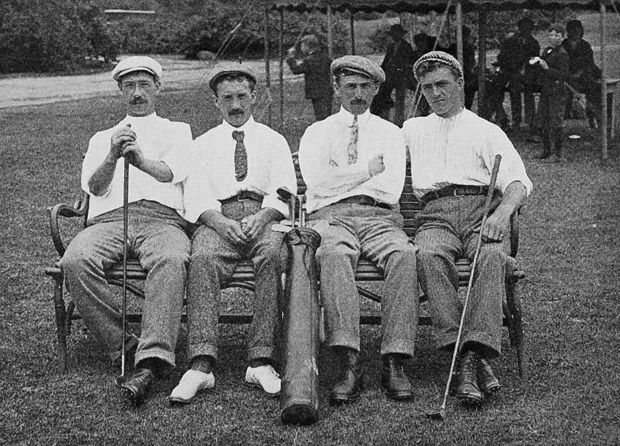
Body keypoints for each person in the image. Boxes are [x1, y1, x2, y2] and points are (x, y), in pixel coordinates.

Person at [59, 56, 193, 406]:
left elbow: (170, 173)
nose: (137, 93)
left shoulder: (178, 130)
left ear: (157, 88)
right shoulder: (103, 136)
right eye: (129, 86)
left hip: (162, 220)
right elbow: (95, 187)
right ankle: (126, 345)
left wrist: (140, 161)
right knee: (74, 260)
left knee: (172, 258)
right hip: (109, 220)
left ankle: (153, 357)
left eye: (144, 85)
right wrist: (112, 156)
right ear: (120, 90)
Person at [402, 51, 533, 407]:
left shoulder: (484, 130)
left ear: (460, 84)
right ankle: (468, 356)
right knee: (427, 254)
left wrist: (501, 214)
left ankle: (469, 356)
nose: (435, 93)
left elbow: (519, 183)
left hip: (480, 212)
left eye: (443, 84)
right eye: (427, 87)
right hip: (434, 215)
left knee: (491, 257)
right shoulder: (412, 129)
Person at [169, 66, 297, 405]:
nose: (236, 104)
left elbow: (285, 189)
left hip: (264, 216)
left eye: (242, 96)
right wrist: (218, 221)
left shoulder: (273, 140)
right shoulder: (203, 144)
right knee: (203, 259)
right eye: (228, 98)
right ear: (215, 101)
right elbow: (195, 194)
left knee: (273, 256)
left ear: (254, 98)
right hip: (218, 218)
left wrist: (265, 215)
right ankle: (201, 362)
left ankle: (261, 359)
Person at [298, 55, 419, 405]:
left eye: (366, 86)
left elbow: (391, 186)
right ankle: (348, 361)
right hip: (331, 217)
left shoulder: (391, 133)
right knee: (333, 254)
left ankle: (394, 360)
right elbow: (317, 184)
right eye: (350, 86)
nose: (358, 94)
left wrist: (341, 177)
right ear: (336, 89)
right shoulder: (317, 132)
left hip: (379, 215)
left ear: (377, 89)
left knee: (404, 254)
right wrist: (365, 170)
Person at [532, 23, 570, 162]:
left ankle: (558, 154)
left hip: (557, 90)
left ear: (562, 37)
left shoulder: (562, 54)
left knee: (556, 121)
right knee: (543, 120)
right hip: (546, 89)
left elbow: (562, 74)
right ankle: (547, 150)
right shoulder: (547, 50)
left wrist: (546, 67)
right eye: (551, 34)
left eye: (556, 35)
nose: (553, 37)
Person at [497, 17, 540, 130]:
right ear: (520, 28)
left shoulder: (534, 43)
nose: (525, 30)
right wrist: (512, 70)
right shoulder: (511, 41)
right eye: (523, 28)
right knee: (514, 89)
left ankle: (530, 120)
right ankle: (517, 120)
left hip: (529, 74)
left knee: (529, 90)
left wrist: (527, 68)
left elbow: (536, 60)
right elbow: (503, 57)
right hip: (513, 73)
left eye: (528, 28)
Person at [370, 24, 416, 126]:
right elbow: (386, 61)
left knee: (400, 97)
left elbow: (410, 61)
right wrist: (379, 72)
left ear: (401, 34)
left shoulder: (406, 46)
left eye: (397, 34)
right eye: (393, 34)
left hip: (402, 76)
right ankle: (383, 116)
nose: (395, 36)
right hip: (390, 75)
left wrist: (401, 68)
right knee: (382, 93)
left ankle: (399, 121)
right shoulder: (391, 46)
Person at [562, 19, 602, 129]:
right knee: (564, 91)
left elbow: (590, 63)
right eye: (572, 30)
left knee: (594, 89)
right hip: (568, 78)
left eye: (578, 29)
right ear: (568, 31)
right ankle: (563, 120)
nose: (575, 32)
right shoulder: (563, 45)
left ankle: (595, 118)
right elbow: (562, 63)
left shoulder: (585, 45)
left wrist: (581, 72)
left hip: (584, 77)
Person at [286, 34, 334, 121]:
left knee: (321, 117)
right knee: (327, 116)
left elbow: (296, 70)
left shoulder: (309, 60)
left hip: (316, 92)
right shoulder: (325, 58)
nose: (300, 48)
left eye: (302, 45)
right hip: (327, 91)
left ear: (308, 46)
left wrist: (291, 57)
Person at [447, 26, 477, 110]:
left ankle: (467, 108)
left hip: (467, 74)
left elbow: (471, 62)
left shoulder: (470, 47)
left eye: (466, 35)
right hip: (454, 74)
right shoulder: (453, 47)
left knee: (470, 87)